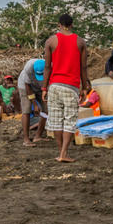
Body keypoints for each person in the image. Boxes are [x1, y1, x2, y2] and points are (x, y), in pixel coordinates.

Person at [42, 13, 89, 163]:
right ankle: (64, 153)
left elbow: (47, 68)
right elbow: (83, 67)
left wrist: (44, 88)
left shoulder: (50, 41)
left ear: (59, 25)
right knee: (69, 120)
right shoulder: (80, 42)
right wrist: (84, 87)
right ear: (72, 25)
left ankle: (60, 152)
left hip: (54, 86)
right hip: (71, 86)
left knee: (56, 120)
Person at [17, 58, 47, 146]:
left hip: (41, 87)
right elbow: (28, 87)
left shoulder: (50, 66)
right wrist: (35, 104)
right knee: (26, 110)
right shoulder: (28, 68)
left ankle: (38, 136)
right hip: (25, 87)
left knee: (46, 110)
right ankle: (26, 139)